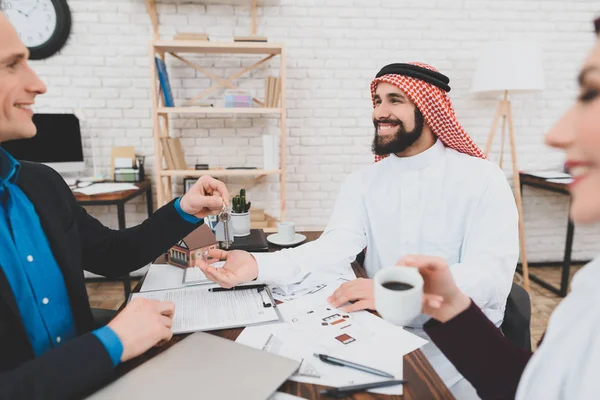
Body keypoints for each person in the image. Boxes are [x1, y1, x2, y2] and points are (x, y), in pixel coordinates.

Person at [198, 61, 520, 395]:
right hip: (378, 330)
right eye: (377, 101)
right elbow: (334, 247)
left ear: (428, 107)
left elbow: (490, 279)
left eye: (395, 100)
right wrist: (257, 265)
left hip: (458, 347)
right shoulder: (363, 182)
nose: (381, 112)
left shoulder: (483, 179)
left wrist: (398, 295)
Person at [0, 12, 229, 399]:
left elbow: (113, 255)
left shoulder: (40, 183)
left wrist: (184, 209)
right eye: (10, 64)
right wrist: (113, 341)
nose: (38, 84)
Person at [395, 17, 600, 400]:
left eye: (591, 93)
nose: (555, 134)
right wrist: (453, 303)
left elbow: (490, 273)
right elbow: (534, 386)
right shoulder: (591, 283)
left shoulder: (482, 177)